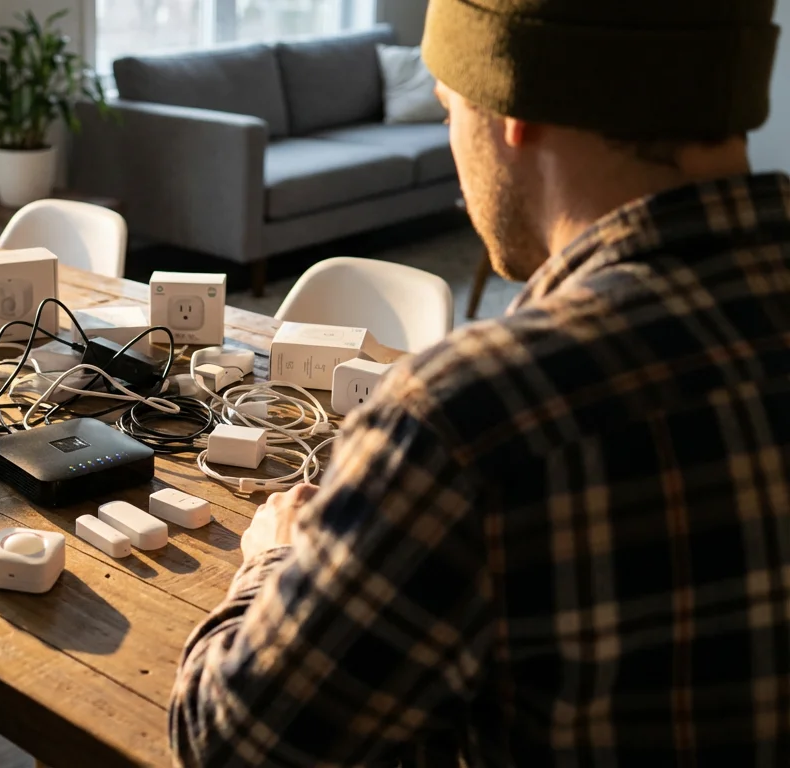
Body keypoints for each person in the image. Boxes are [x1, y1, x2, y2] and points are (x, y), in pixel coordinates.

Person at [170, 1, 790, 766]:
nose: (451, 142)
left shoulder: (472, 417)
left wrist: (275, 558)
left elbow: (227, 743)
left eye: (447, 109)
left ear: (514, 106)